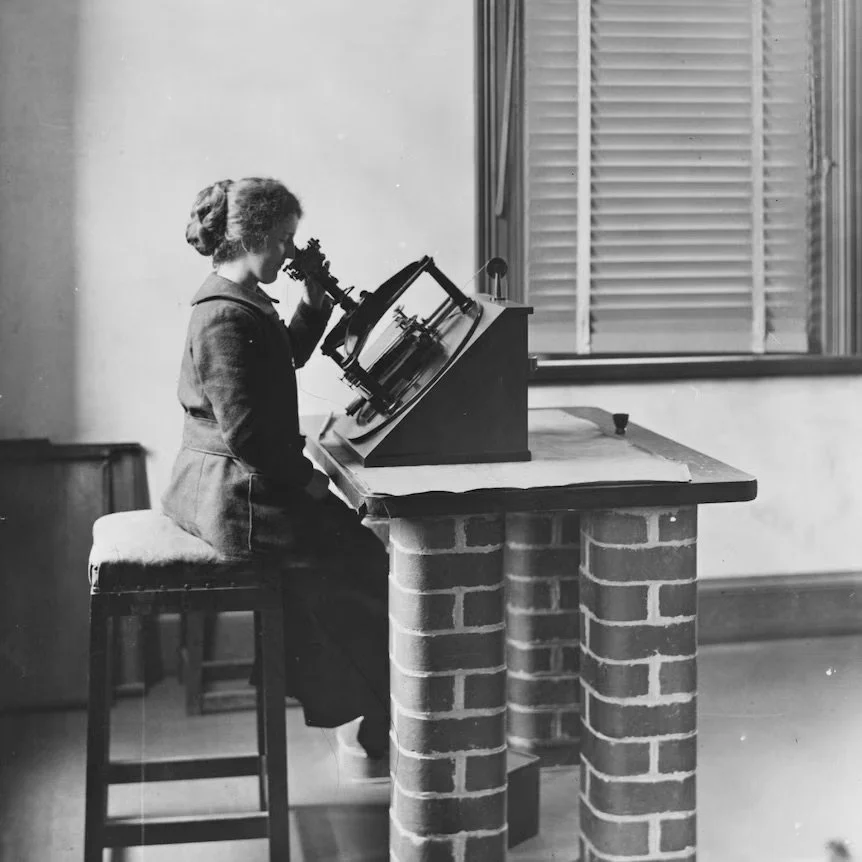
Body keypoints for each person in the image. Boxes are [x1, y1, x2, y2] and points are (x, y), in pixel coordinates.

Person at [162, 177, 390, 758]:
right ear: (253, 236)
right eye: (285, 241)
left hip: (240, 481)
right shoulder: (220, 316)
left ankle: (367, 708)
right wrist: (309, 480)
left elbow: (282, 355)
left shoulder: (241, 301)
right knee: (361, 557)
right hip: (231, 494)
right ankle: (375, 713)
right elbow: (249, 437)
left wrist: (314, 303)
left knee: (356, 553)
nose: (290, 252)